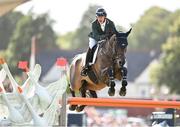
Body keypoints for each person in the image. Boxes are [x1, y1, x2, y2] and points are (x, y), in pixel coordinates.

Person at [81, 7, 118, 76]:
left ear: (105, 17)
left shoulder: (111, 23)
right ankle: (86, 66)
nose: (100, 18)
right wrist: (104, 37)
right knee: (92, 46)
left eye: (101, 16)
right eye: (98, 17)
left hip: (107, 39)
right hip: (95, 38)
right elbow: (96, 35)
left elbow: (114, 33)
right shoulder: (94, 24)